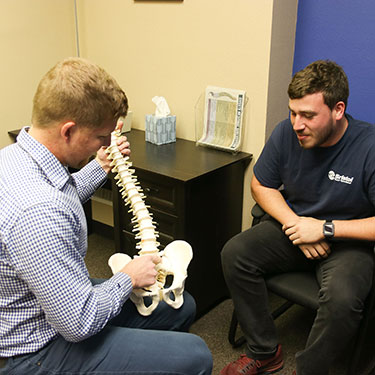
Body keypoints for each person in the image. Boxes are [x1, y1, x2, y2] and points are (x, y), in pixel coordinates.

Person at [0, 57, 212, 374]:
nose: (106, 144)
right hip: (37, 347)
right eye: (101, 137)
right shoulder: (38, 212)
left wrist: (100, 165)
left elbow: (63, 191)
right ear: (68, 130)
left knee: (182, 308)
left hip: (48, 304)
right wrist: (127, 278)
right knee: (197, 356)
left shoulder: (16, 157)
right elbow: (78, 323)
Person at [220, 60, 375, 375]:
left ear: (338, 110)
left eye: (307, 115)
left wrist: (324, 229)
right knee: (235, 254)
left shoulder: (369, 147)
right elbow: (261, 184)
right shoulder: (285, 133)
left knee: (342, 299)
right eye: (293, 112)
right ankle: (264, 351)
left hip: (349, 241)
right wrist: (295, 225)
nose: (296, 124)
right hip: (297, 227)